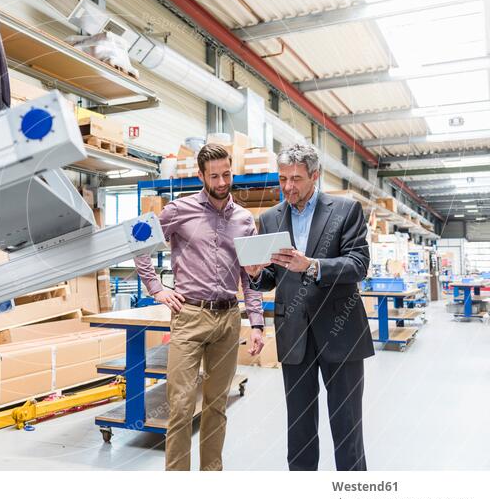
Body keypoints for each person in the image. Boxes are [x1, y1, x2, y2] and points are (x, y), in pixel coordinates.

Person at [135, 143, 265, 471]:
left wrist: (258, 323)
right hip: (189, 317)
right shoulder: (179, 210)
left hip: (228, 319)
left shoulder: (245, 220)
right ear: (200, 176)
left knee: (216, 406)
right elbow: (139, 241)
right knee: (180, 407)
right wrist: (156, 289)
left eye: (226, 174)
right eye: (214, 176)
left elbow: (250, 277)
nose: (222, 182)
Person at [244, 143, 373, 471]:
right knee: (299, 427)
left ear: (314, 176)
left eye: (297, 179)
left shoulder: (345, 210)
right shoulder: (270, 217)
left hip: (340, 331)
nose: (288, 186)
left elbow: (358, 265)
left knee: (347, 425)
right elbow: (272, 276)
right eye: (283, 178)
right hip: (294, 334)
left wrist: (313, 265)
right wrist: (257, 275)